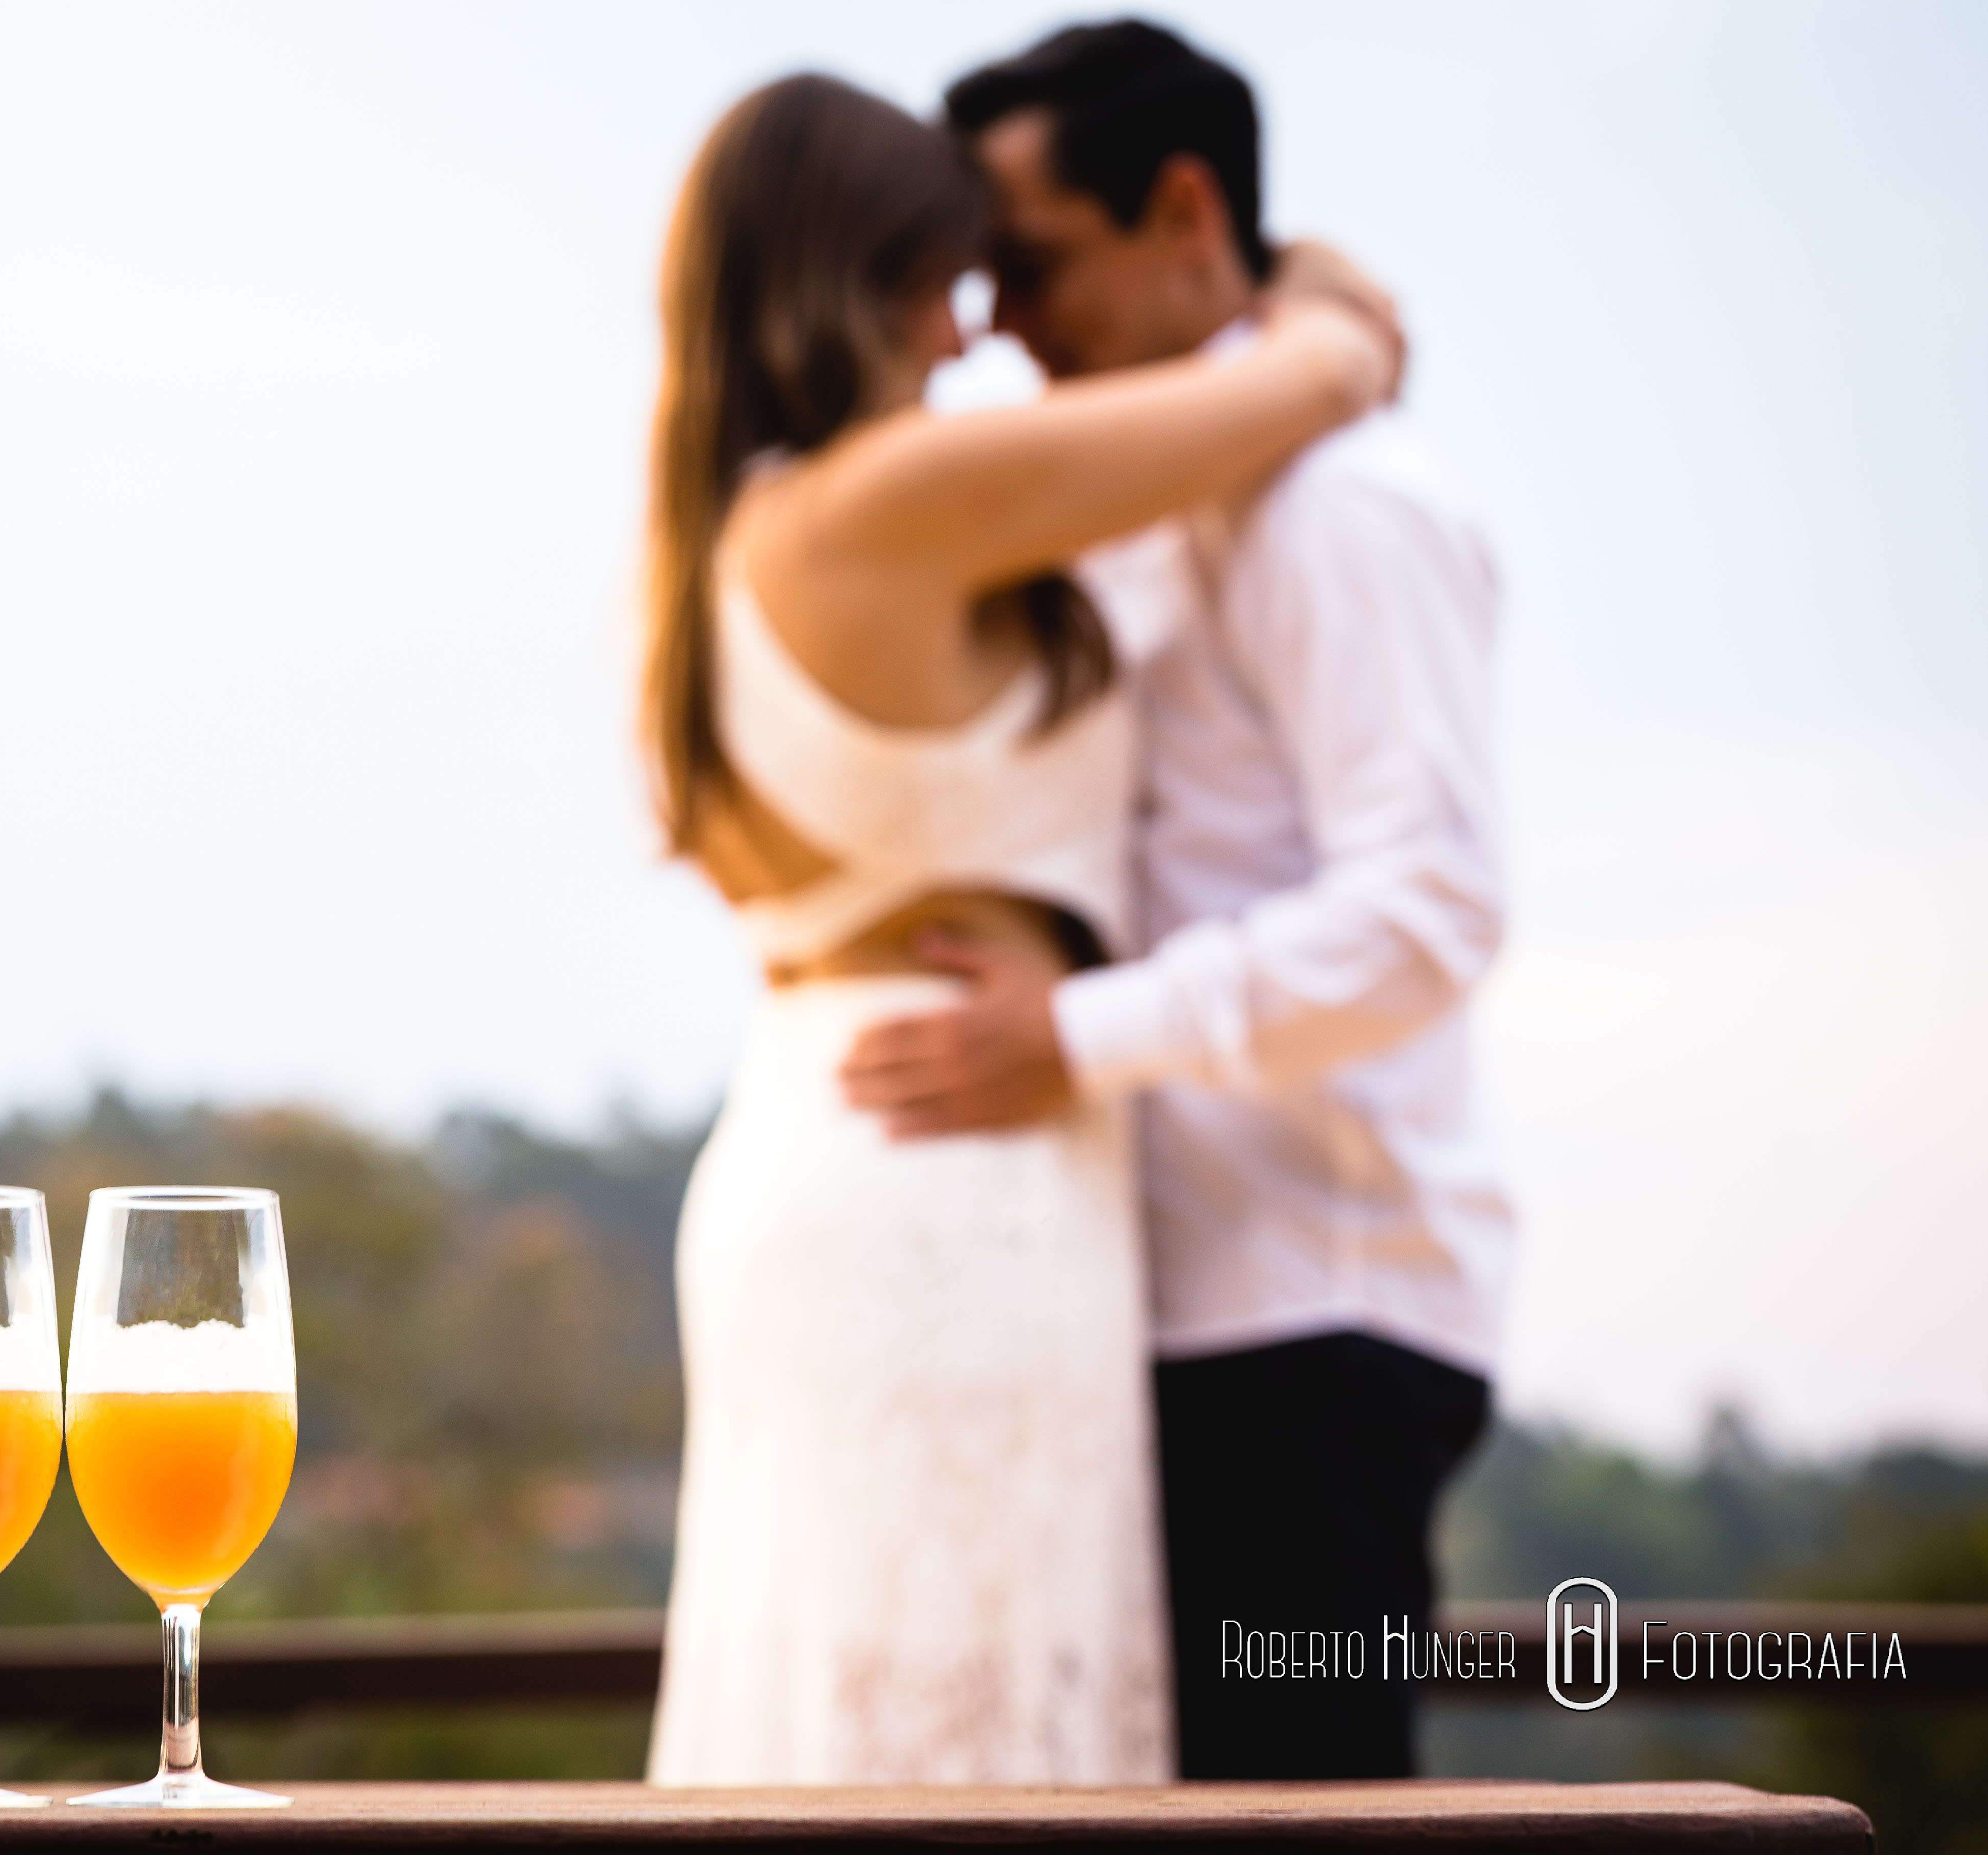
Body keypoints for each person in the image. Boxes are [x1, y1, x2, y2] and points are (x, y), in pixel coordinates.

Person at [637, 70, 1399, 1785]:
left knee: (841, 1724)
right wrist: (1325, 291)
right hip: (953, 1177)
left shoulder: (727, 538)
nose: (976, 331)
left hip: (832, 1132)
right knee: (979, 1759)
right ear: (866, 276)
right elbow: (1313, 385)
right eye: (950, 277)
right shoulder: (891, 496)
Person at [838, 21, 1514, 1780]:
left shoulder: (1350, 504)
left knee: (1293, 1820)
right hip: (1155, 1305)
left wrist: (1071, 1037)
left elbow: (1435, 906)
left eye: (1033, 264)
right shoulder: (1129, 489)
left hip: (1313, 1316)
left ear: (1186, 209)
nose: (998, 326)